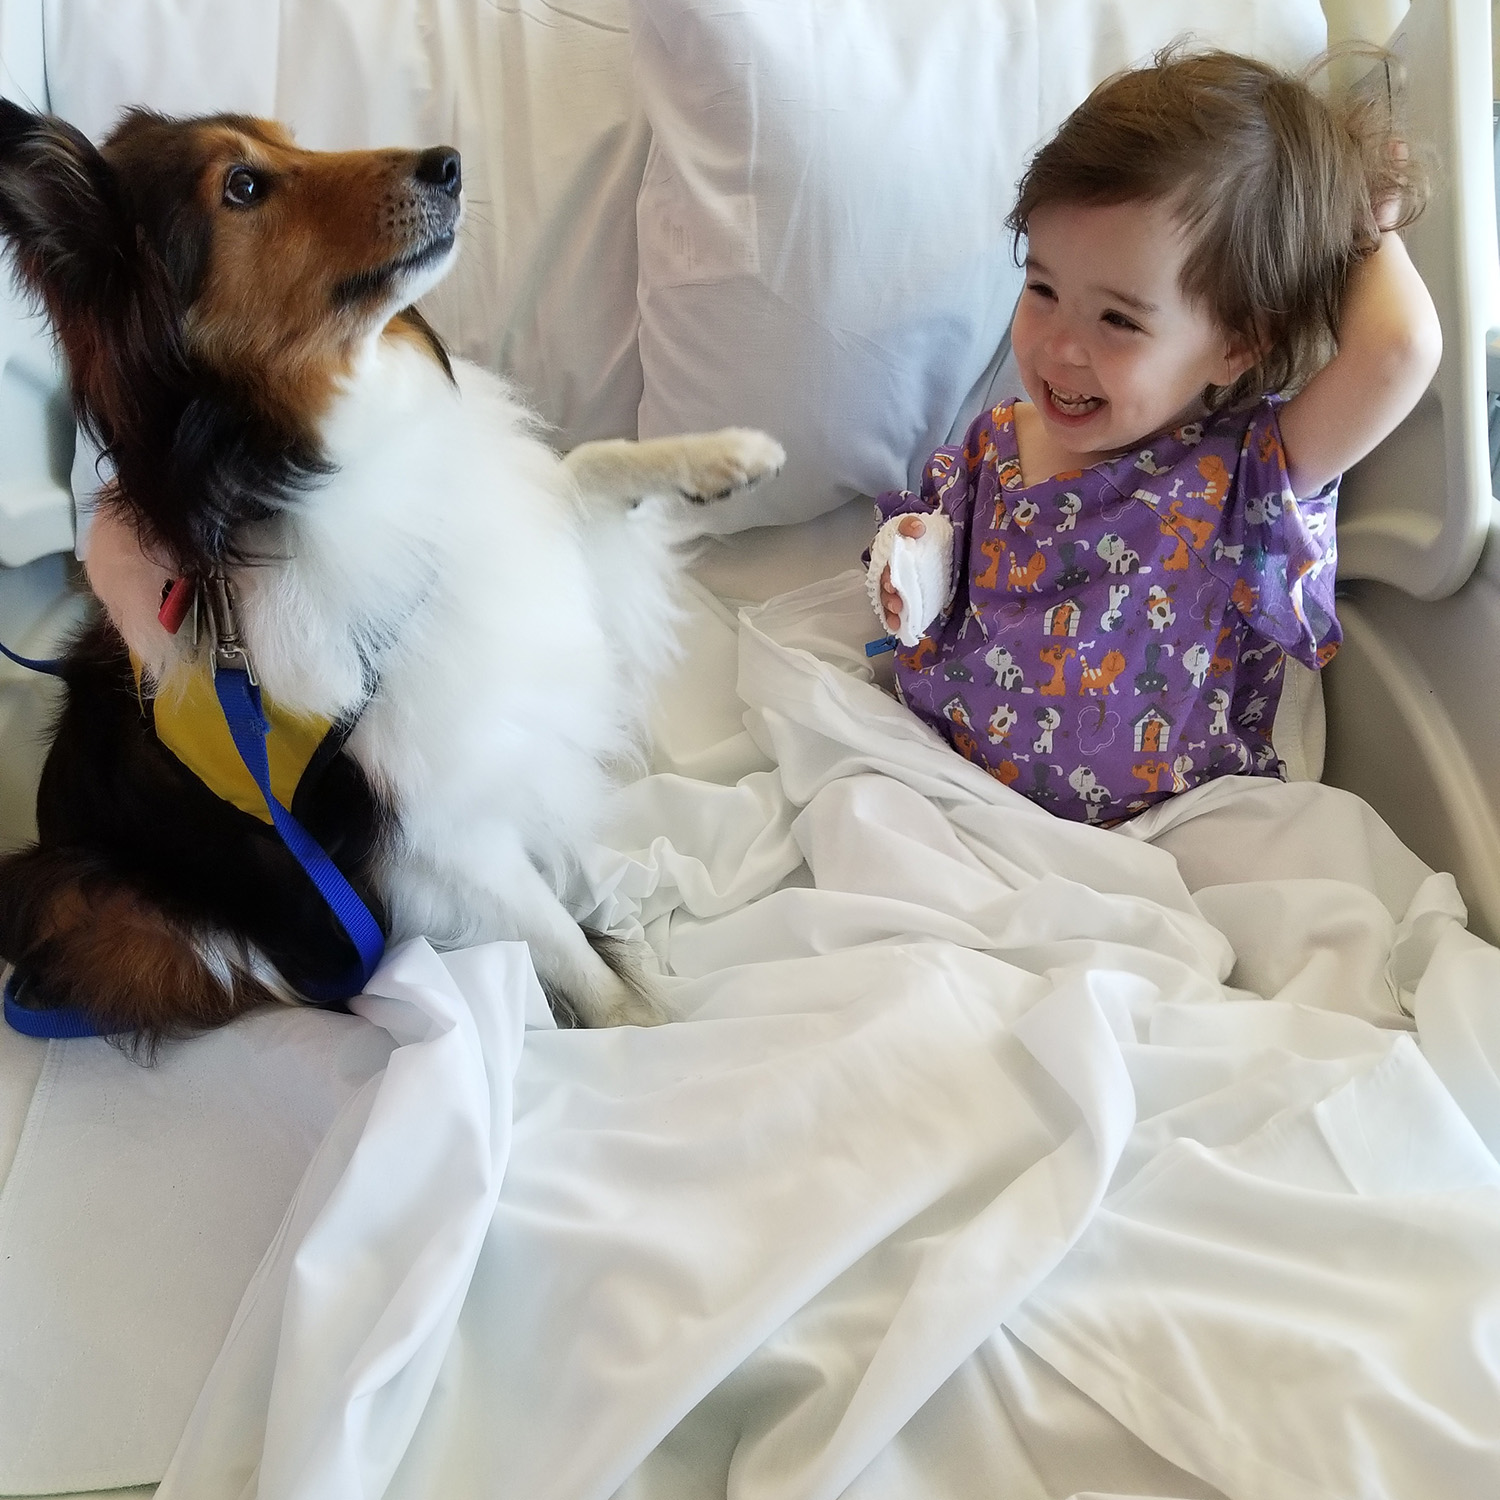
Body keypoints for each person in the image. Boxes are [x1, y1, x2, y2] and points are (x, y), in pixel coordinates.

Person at [867, 48, 1440, 824]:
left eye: (1118, 320)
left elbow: (1397, 352)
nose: (1060, 347)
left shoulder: (1241, 481)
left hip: (1147, 829)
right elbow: (945, 545)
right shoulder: (998, 438)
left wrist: (1365, 230)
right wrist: (913, 562)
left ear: (1237, 343)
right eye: (1042, 288)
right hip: (941, 775)